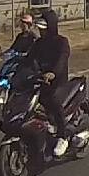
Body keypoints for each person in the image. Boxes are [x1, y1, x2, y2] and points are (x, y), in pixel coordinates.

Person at [31, 10, 71, 158]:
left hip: (58, 83)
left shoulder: (62, 42)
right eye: (40, 29)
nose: (41, 32)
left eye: (44, 29)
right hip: (41, 81)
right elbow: (29, 60)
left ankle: (63, 136)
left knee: (53, 101)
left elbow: (62, 60)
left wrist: (53, 73)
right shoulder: (38, 44)